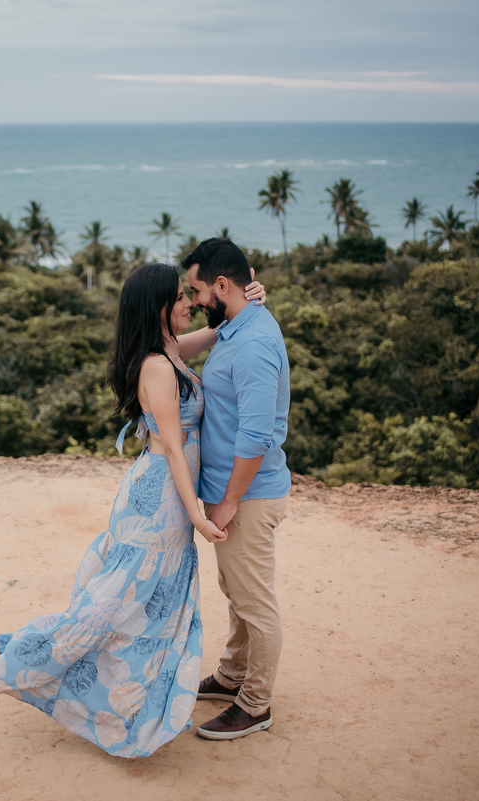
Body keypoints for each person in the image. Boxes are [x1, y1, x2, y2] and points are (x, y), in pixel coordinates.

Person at [0, 262, 265, 757]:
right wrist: (197, 515)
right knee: (122, 599)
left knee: (148, 601)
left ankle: (133, 699)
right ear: (156, 305)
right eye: (179, 297)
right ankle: (35, 659)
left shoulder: (169, 352)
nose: (188, 303)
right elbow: (174, 448)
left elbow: (215, 331)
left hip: (168, 500)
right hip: (157, 501)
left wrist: (247, 300)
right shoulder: (156, 366)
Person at [183, 238, 291, 741]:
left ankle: (255, 704)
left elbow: (256, 434)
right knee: (236, 591)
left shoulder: (251, 343)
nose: (196, 299)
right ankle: (231, 676)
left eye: (199, 290)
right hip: (234, 491)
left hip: (246, 495)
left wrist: (228, 502)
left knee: (255, 601)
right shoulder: (234, 326)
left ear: (223, 284)